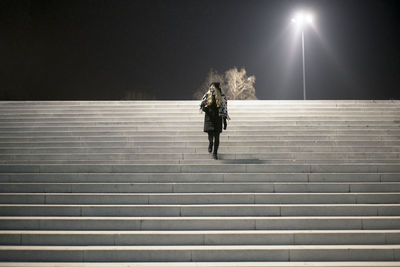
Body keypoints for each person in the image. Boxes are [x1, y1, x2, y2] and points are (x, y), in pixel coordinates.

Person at [200, 82, 230, 160]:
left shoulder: (222, 96)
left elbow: (224, 108)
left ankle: (215, 153)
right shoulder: (206, 95)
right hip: (209, 118)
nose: (211, 88)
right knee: (210, 136)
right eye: (210, 86)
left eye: (213, 86)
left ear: (216, 88)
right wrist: (203, 106)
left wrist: (225, 121)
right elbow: (202, 107)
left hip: (217, 118)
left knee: (217, 137)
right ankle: (210, 144)